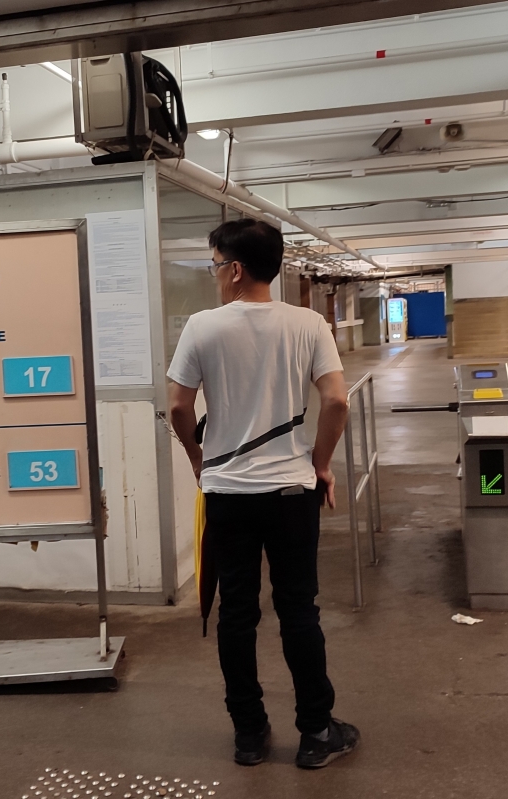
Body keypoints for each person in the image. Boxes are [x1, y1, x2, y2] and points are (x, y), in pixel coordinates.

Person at [166, 219, 357, 769]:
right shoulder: (309, 324)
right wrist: (320, 465)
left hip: (228, 494)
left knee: (237, 613)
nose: (213, 274)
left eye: (214, 265)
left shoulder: (202, 327)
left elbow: (178, 407)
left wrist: (199, 461)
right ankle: (316, 732)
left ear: (234, 270)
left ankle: (249, 735)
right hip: (291, 492)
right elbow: (336, 401)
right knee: (299, 610)